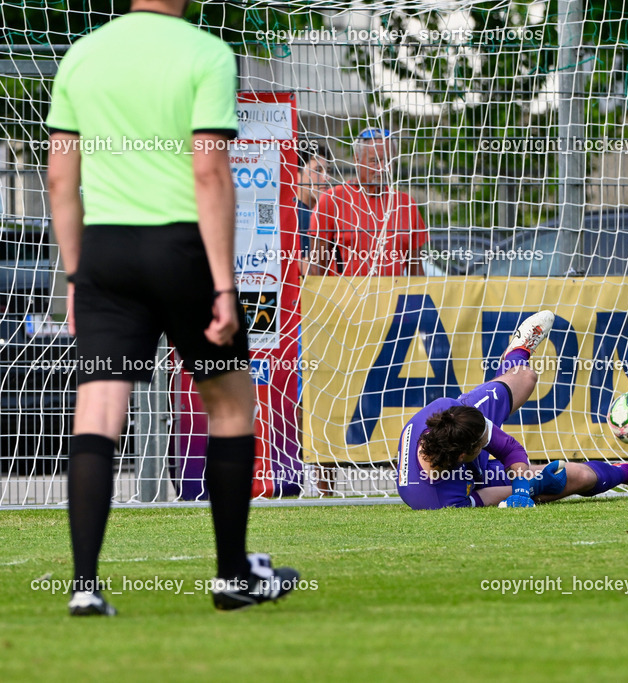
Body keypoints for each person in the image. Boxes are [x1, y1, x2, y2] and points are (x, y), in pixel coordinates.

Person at [46, 0, 298, 616]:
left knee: (100, 408)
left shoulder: (82, 54)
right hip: (180, 248)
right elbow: (209, 171)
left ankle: (83, 586)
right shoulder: (204, 52)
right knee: (231, 403)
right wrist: (222, 285)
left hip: (105, 251)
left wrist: (77, 274)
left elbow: (59, 177)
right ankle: (233, 575)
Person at [395, 311, 628, 510]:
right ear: (463, 456)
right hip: (474, 483)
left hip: (463, 426)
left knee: (526, 377)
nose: (490, 443)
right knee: (580, 478)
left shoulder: (448, 412)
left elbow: (509, 449)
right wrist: (528, 489)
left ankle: (517, 351)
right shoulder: (436, 498)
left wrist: (520, 477)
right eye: (484, 444)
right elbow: (491, 495)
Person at [309, 128, 427, 277]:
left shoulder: (406, 203)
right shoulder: (332, 200)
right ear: (357, 160)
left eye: (388, 161)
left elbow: (416, 270)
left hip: (393, 297)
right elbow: (317, 269)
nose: (383, 168)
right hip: (346, 298)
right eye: (374, 161)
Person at [292, 139, 330, 275]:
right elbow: (308, 271)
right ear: (297, 175)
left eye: (328, 170)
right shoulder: (298, 215)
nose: (326, 177)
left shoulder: (315, 212)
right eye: (318, 170)